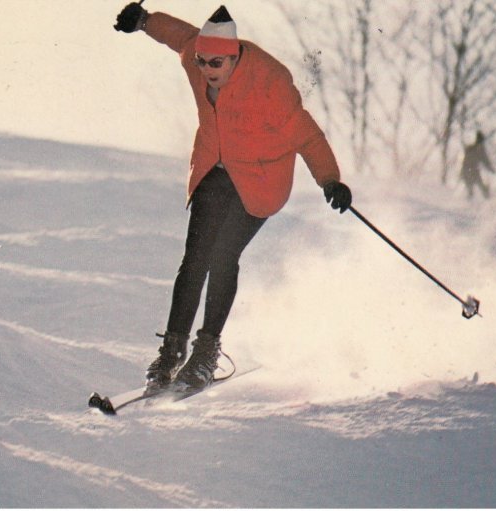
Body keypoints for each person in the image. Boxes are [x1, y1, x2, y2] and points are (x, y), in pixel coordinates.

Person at [114, 4, 352, 392]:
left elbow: (308, 136)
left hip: (261, 179)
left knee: (223, 256)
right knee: (194, 260)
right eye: (202, 62)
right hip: (216, 168)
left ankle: (206, 352)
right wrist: (143, 21)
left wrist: (330, 180)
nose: (207, 70)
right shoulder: (197, 57)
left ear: (235, 57)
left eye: (216, 64)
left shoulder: (270, 82)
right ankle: (171, 353)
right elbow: (179, 36)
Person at [460, 131, 496, 200]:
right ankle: (485, 202)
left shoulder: (470, 148)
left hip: (466, 171)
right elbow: (486, 162)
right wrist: (492, 170)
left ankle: (469, 203)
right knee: (480, 188)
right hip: (472, 171)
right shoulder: (480, 150)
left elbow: (464, 161)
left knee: (471, 190)